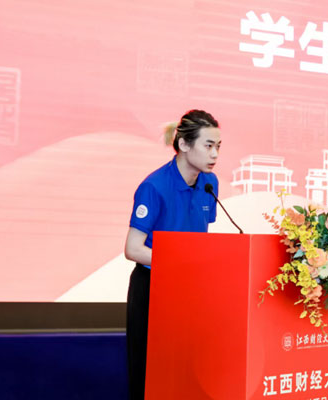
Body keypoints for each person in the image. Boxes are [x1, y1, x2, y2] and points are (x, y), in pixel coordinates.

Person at [124, 109, 221, 400]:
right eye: (208, 145)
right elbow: (132, 249)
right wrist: (177, 263)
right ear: (184, 145)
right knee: (149, 373)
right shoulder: (154, 186)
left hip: (190, 288)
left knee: (187, 369)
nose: (215, 154)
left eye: (218, 146)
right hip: (153, 288)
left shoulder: (210, 183)